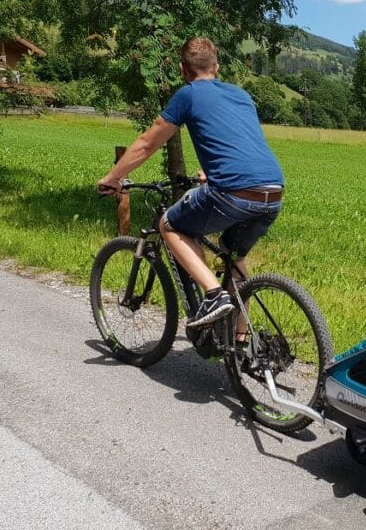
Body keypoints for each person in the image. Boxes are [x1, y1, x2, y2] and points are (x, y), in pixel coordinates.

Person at [96, 37, 284, 330]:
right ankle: (241, 340)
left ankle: (213, 295)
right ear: (217, 67)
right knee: (233, 257)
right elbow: (238, 141)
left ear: (183, 70)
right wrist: (210, 174)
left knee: (170, 225)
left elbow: (147, 143)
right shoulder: (242, 95)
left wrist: (113, 178)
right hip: (272, 191)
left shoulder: (188, 94)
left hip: (232, 193)